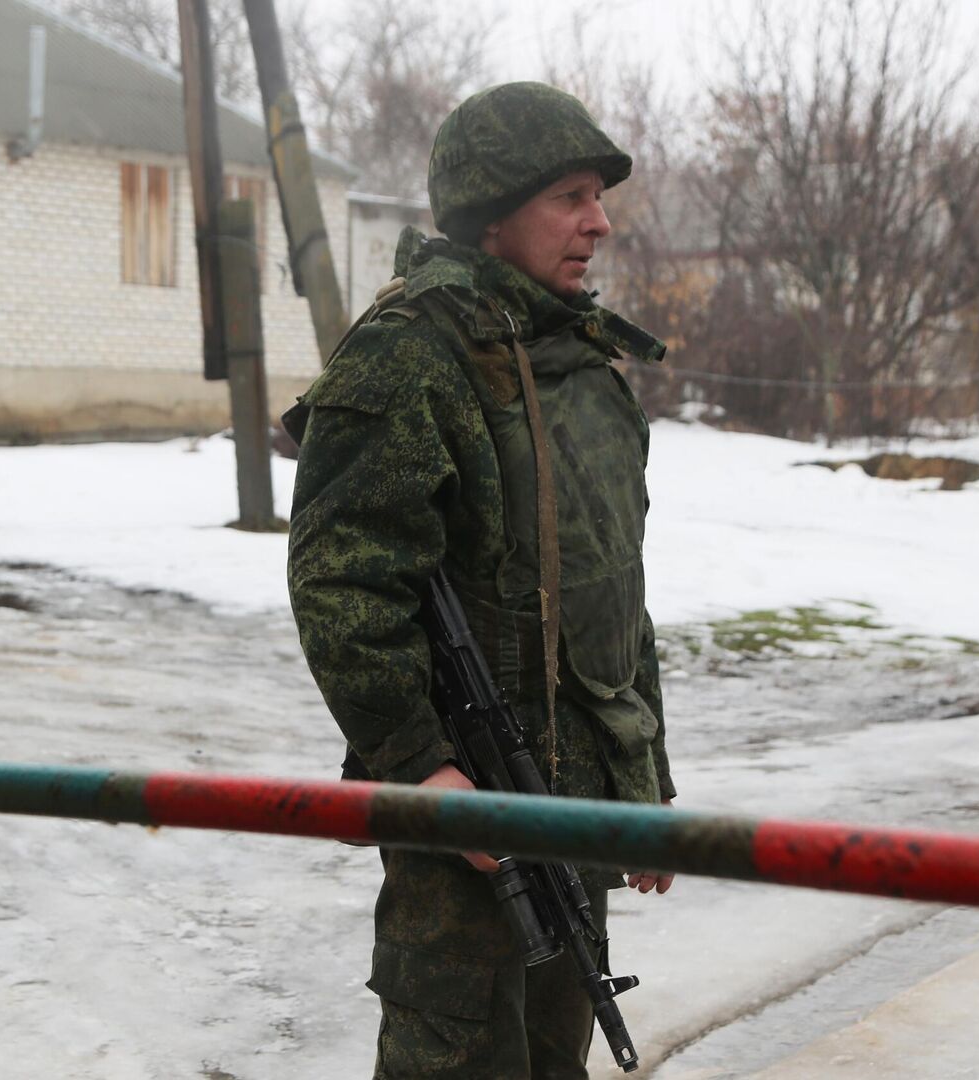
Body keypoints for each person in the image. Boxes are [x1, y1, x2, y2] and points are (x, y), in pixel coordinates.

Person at [284, 82, 677, 1079]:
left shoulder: (584, 372)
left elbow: (614, 604)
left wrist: (643, 789)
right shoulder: (412, 354)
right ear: (492, 211)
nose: (599, 221)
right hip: (465, 813)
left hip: (573, 812)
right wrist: (421, 767)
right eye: (572, 196)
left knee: (554, 1059)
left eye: (599, 196)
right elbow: (345, 583)